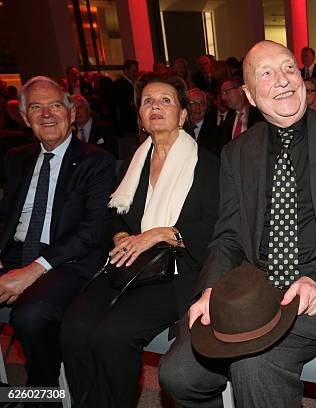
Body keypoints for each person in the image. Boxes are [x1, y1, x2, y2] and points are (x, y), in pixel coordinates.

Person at [158, 40, 316, 408]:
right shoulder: (236, 153)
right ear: (248, 94)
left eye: (288, 68)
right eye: (266, 74)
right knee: (177, 375)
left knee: (255, 365)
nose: (282, 80)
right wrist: (212, 288)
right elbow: (228, 236)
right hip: (254, 290)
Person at [61, 73, 220, 408]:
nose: (155, 106)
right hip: (128, 264)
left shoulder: (207, 166)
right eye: (147, 101)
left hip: (176, 271)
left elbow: (215, 228)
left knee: (112, 336)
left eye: (165, 100)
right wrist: (121, 235)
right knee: (73, 327)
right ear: (141, 117)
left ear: (181, 115)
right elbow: (113, 213)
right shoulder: (135, 162)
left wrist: (161, 233)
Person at [0, 76, 115, 386]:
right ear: (24, 118)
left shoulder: (98, 162)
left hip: (67, 261)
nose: (46, 114)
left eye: (54, 105)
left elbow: (91, 231)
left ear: (72, 112)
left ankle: (43, 395)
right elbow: (5, 214)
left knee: (30, 315)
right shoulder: (16, 158)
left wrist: (32, 271)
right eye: (36, 107)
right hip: (15, 252)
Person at [202, 77, 264, 157]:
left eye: (226, 92)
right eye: (222, 93)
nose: (223, 97)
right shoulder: (226, 123)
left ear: (241, 90)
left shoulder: (259, 115)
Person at [113, 59, 140, 135]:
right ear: (125, 71)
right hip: (127, 125)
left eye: (136, 71)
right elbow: (125, 106)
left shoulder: (132, 83)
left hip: (131, 124)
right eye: (134, 71)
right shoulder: (119, 85)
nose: (136, 74)